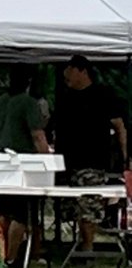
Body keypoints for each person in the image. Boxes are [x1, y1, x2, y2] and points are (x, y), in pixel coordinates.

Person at [54, 54, 128, 250]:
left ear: (82, 71)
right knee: (70, 207)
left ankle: (87, 247)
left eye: (69, 73)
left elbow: (119, 127)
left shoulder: (103, 95)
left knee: (88, 204)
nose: (66, 78)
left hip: (93, 161)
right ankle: (76, 245)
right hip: (66, 162)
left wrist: (124, 155)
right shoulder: (65, 98)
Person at [0, 65, 50, 262]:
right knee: (21, 214)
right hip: (21, 164)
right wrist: (46, 158)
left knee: (3, 213)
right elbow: (37, 135)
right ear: (28, 83)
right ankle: (11, 257)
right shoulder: (28, 103)